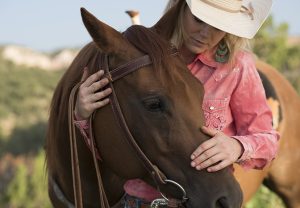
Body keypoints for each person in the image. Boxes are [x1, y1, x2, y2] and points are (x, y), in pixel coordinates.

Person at [74, 0, 279, 206]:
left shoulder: (236, 66)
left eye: (219, 26)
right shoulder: (142, 60)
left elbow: (269, 142)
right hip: (141, 201)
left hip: (206, 199)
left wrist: (236, 147)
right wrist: (83, 115)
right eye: (199, 19)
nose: (205, 33)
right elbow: (113, 148)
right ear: (181, 9)